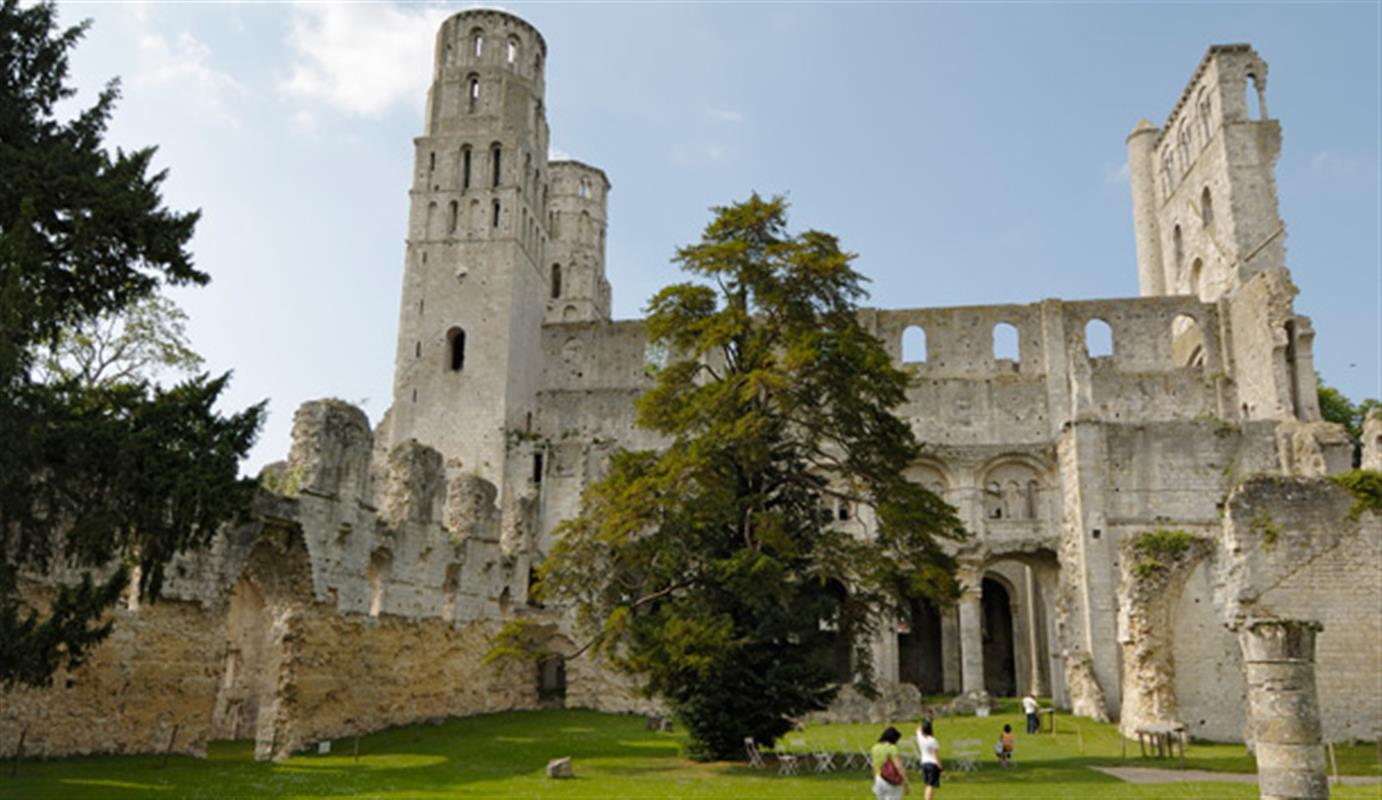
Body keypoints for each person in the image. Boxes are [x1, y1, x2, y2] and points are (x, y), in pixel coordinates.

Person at [870, 726, 910, 799]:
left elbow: (874, 767)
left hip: (879, 779)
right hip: (891, 780)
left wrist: (874, 781)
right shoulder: (892, 748)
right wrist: (906, 783)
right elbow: (899, 767)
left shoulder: (875, 748)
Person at [915, 720, 942, 799]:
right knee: (931, 785)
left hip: (924, 763)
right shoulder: (932, 740)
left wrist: (924, 722)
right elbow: (936, 754)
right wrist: (940, 765)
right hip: (932, 764)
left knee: (927, 784)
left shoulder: (920, 738)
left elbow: (918, 729)